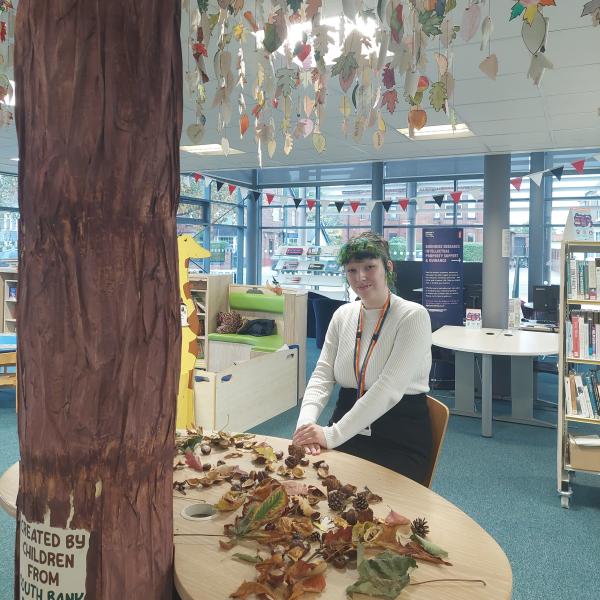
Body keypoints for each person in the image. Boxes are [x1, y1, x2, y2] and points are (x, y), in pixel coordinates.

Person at [292, 232, 433, 484]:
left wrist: (331, 436)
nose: (361, 277)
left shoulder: (413, 316)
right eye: (352, 270)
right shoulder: (343, 315)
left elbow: (389, 388)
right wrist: (305, 427)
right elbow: (322, 375)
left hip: (398, 433)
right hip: (346, 422)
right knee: (312, 492)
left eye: (370, 267)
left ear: (387, 267)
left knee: (374, 508)